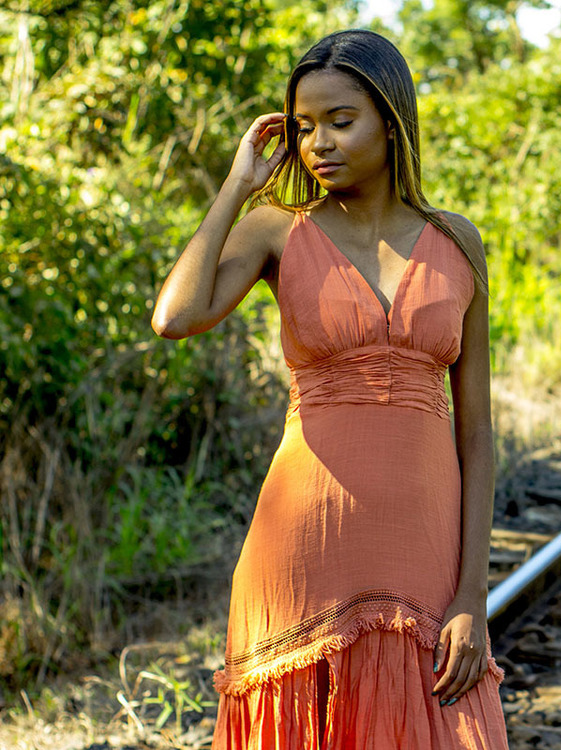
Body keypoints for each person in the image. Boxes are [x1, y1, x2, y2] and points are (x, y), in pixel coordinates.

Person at [151, 29, 509, 749]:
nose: (319, 144)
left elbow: (475, 433)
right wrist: (237, 186)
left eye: (341, 121)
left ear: (391, 121)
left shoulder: (457, 241)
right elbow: (175, 317)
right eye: (304, 126)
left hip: (422, 552)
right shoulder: (277, 231)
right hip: (302, 548)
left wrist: (473, 592)